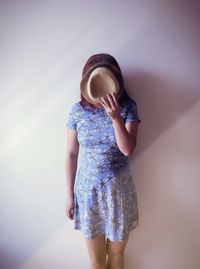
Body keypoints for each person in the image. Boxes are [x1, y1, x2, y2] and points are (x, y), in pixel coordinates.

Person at [65, 53, 141, 269]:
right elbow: (71, 154)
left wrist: (115, 117)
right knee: (97, 261)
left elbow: (128, 149)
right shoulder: (77, 112)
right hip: (88, 194)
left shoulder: (128, 108)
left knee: (116, 257)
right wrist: (70, 196)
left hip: (119, 194)